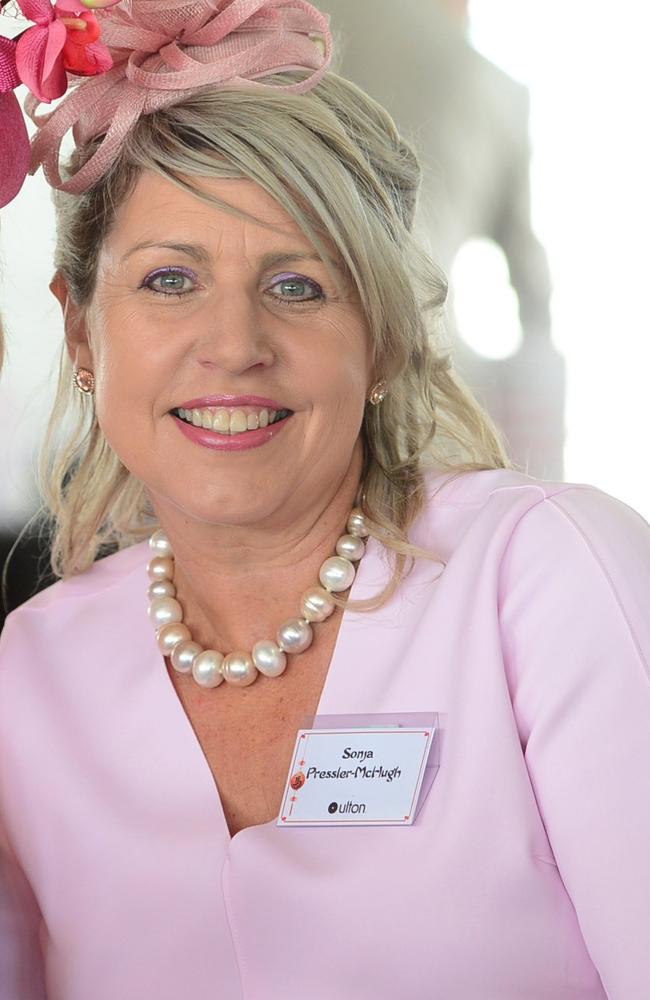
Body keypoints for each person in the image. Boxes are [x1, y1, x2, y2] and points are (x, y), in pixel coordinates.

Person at [0, 1, 649, 998]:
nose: (233, 343)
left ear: (384, 339)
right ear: (82, 334)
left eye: (297, 286)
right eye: (170, 278)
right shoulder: (30, 674)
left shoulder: (550, 578)